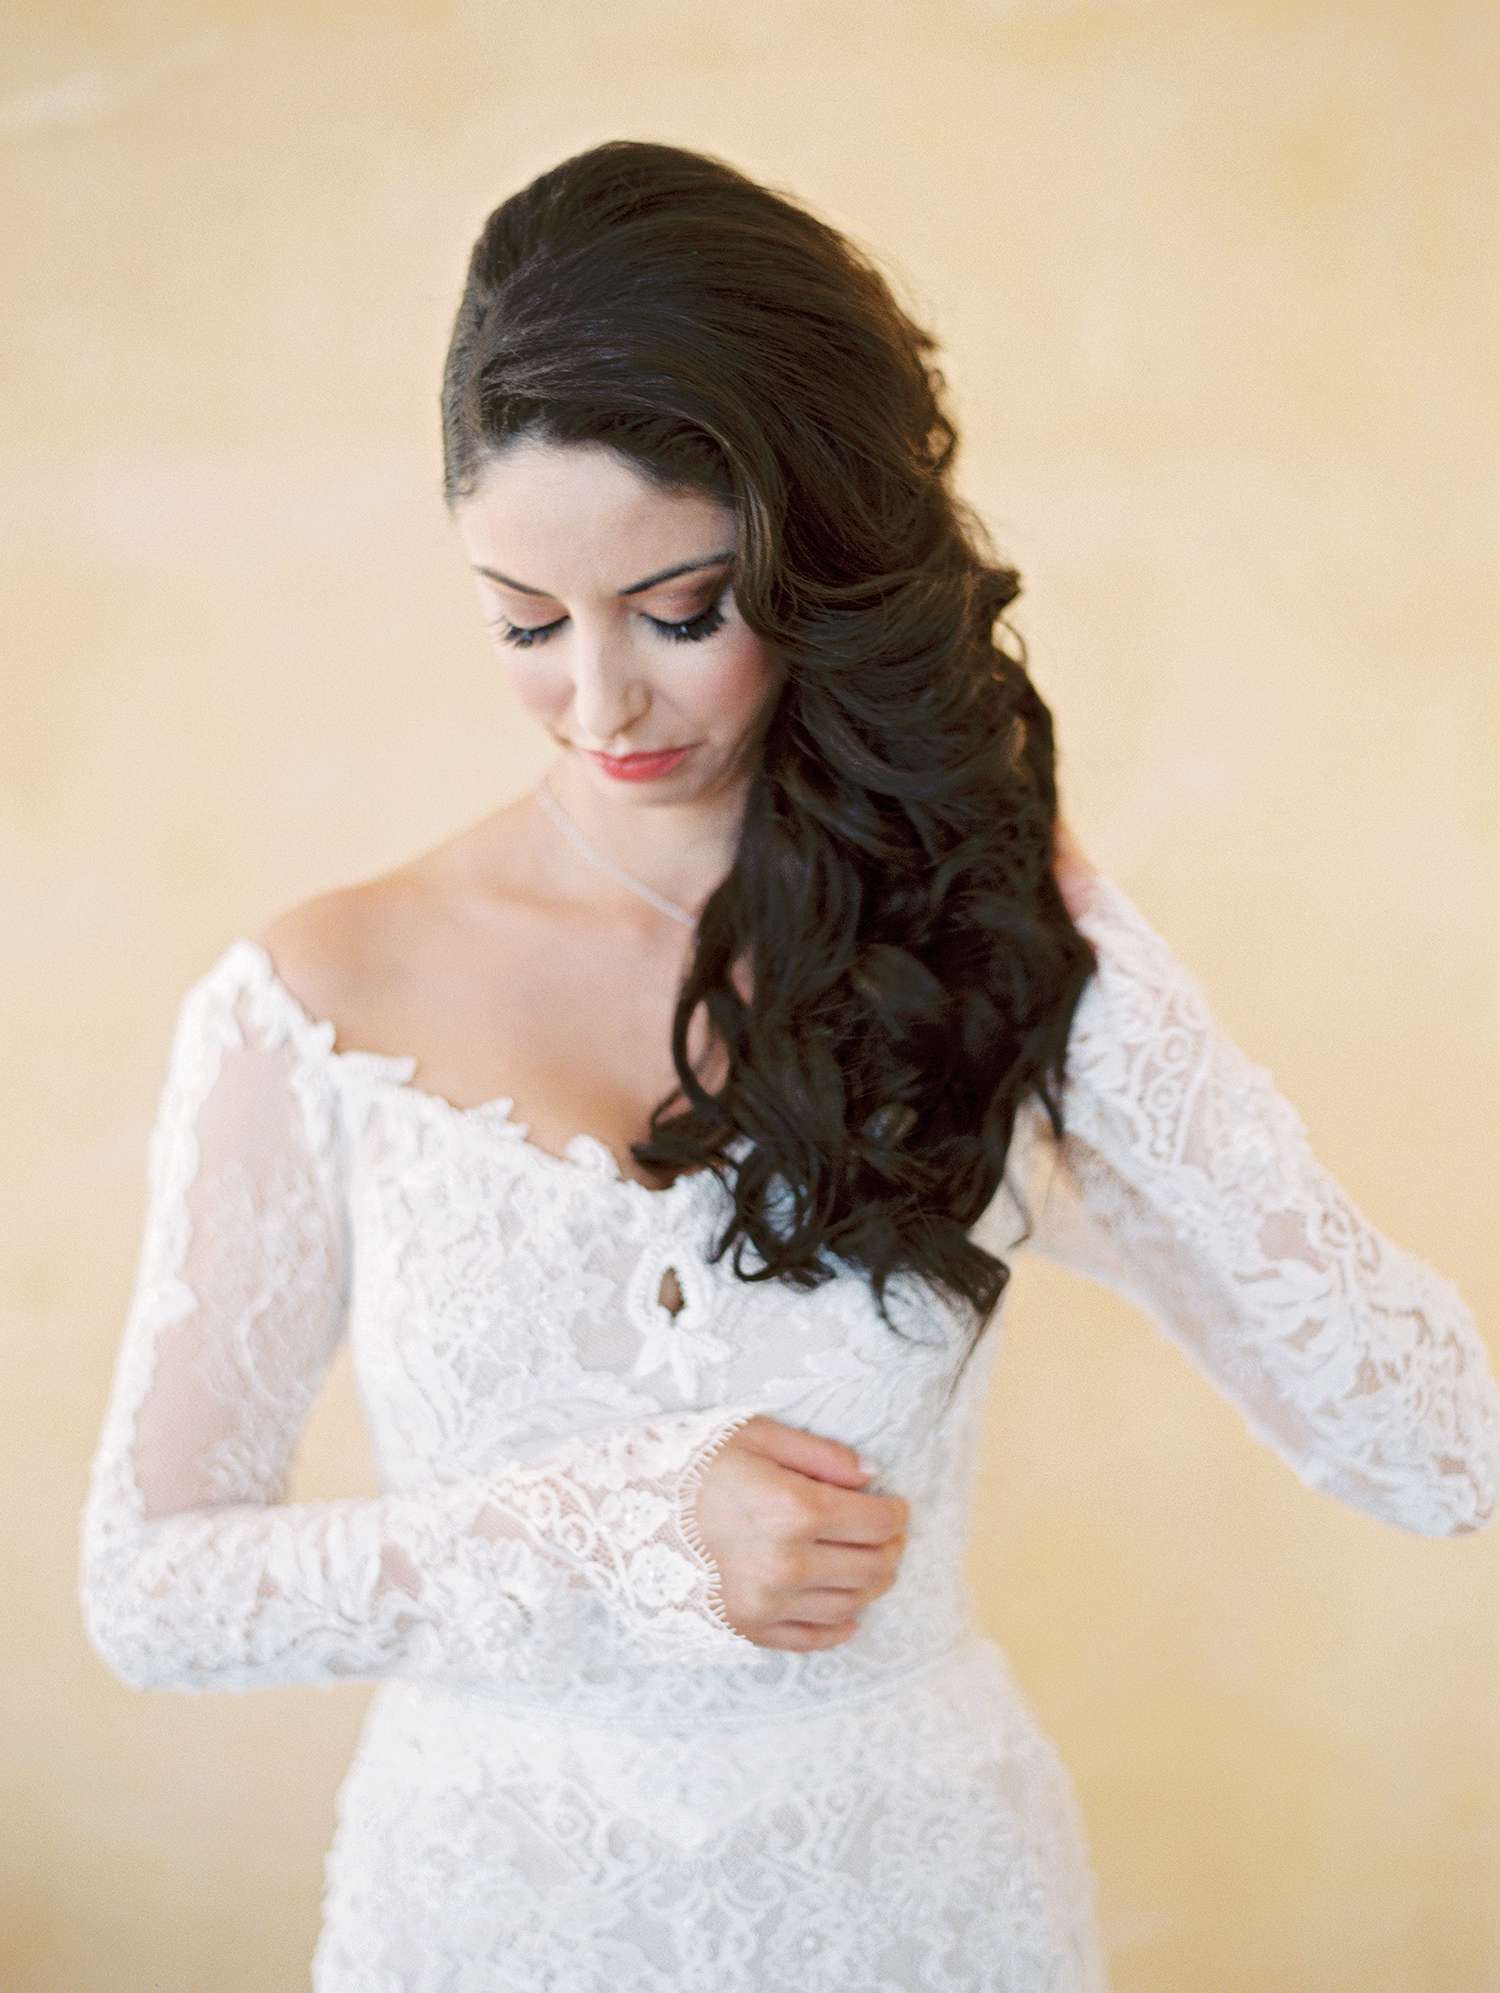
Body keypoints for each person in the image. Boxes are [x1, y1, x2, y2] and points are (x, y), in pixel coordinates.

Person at [78, 139, 1500, 1993]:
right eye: (525, 622)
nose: (601, 702)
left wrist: (1078, 935)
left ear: (818, 563)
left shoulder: (964, 959)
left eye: (680, 611)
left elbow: (1437, 1451)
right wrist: (615, 1540)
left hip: (919, 1906)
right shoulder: (314, 997)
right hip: (487, 1919)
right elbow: (154, 1589)